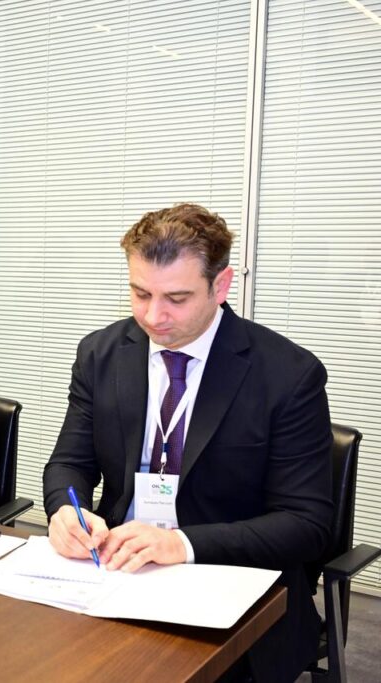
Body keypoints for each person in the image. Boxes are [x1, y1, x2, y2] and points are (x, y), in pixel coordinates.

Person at [43, 203, 332, 682]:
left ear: (221, 285)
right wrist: (65, 511)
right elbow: (68, 462)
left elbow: (306, 524)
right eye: (140, 293)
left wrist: (181, 543)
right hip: (118, 571)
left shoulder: (287, 375)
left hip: (232, 589)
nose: (153, 316)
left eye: (177, 298)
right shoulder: (101, 353)